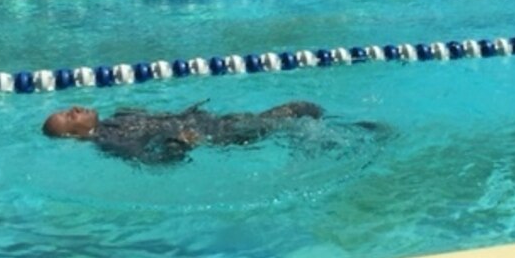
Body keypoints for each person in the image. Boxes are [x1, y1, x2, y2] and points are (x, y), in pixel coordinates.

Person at [42, 101, 324, 164]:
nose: (76, 108)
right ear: (73, 135)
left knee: (302, 112)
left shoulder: (118, 117)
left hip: (216, 121)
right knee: (300, 109)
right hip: (220, 135)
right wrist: (182, 145)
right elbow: (153, 161)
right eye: (69, 116)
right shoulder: (110, 141)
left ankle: (313, 138)